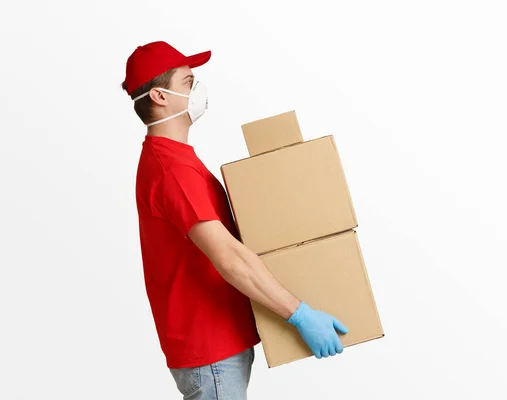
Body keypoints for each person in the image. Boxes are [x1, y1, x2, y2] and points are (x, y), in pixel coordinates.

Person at [121, 41, 349, 400]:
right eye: (188, 82)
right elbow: (228, 256)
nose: (198, 90)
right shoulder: (172, 169)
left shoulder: (174, 158)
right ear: (160, 97)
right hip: (210, 350)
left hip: (218, 343)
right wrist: (300, 315)